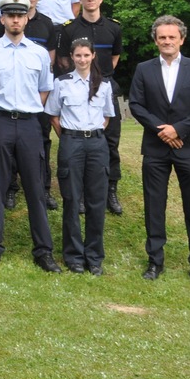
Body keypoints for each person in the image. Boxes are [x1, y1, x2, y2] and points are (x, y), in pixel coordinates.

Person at [129, 15, 190, 287]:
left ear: (182, 39)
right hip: (155, 149)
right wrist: (161, 130)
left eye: (172, 37)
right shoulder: (143, 69)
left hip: (188, 148)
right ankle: (155, 261)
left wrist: (177, 129)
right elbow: (136, 105)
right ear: (156, 40)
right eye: (162, 37)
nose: (167, 41)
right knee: (154, 206)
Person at [0, 0, 60, 273]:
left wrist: (30, 108)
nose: (15, 20)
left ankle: (43, 251)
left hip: (29, 124)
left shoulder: (37, 53)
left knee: (35, 188)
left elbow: (45, 89)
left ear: (26, 19)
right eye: (10, 15)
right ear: (2, 19)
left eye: (19, 15)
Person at [46, 38, 115, 275]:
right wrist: (70, 136)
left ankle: (94, 256)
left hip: (96, 143)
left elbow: (106, 117)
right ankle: (74, 256)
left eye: (86, 55)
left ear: (93, 56)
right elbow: (53, 115)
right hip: (71, 142)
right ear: (72, 58)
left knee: (96, 201)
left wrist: (91, 134)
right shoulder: (61, 83)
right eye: (78, 56)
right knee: (72, 199)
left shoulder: (104, 84)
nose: (82, 59)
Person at [56, 0, 125, 215]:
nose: (90, 0)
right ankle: (83, 194)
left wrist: (99, 78)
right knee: (79, 144)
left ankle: (110, 190)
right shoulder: (69, 29)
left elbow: (114, 58)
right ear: (82, 0)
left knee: (110, 140)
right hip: (76, 88)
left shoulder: (114, 28)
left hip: (104, 87)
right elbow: (64, 61)